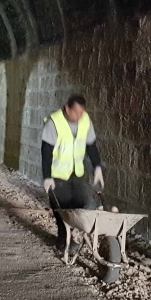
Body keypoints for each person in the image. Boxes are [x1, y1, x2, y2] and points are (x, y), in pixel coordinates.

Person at [41, 95, 104, 249]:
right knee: (61, 207)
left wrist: (97, 167)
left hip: (76, 171)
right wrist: (47, 176)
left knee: (78, 203)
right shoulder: (54, 122)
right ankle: (62, 239)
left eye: (82, 112)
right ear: (67, 109)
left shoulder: (85, 120)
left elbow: (91, 145)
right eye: (76, 112)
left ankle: (74, 235)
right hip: (58, 174)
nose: (79, 116)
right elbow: (46, 151)